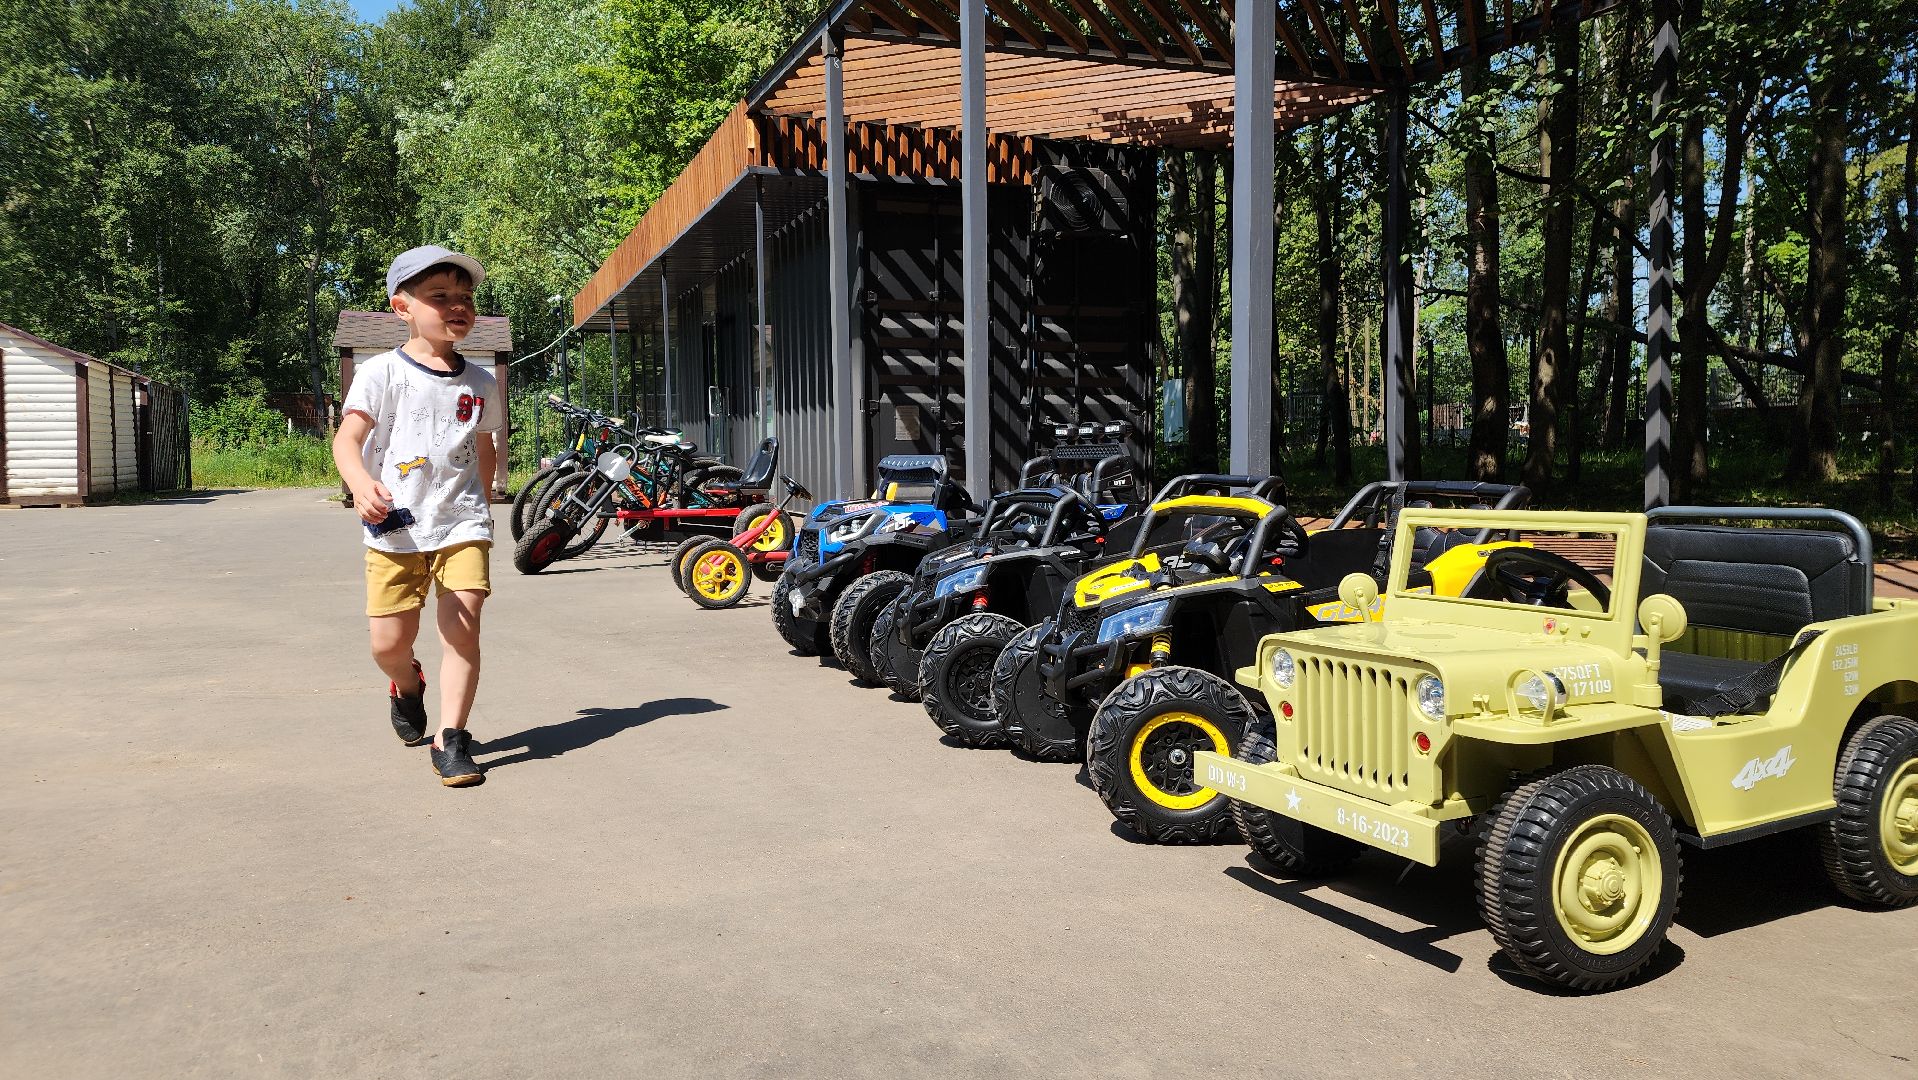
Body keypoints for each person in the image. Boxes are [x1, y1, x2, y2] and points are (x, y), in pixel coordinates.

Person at [332, 245, 503, 787]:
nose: (458, 306)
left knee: (463, 628)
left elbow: (484, 442)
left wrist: (491, 489)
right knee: (388, 644)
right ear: (402, 307)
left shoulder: (481, 381)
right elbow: (348, 439)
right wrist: (361, 484)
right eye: (440, 297)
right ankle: (407, 686)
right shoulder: (381, 373)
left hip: (462, 522)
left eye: (466, 297)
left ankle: (451, 738)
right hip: (395, 525)